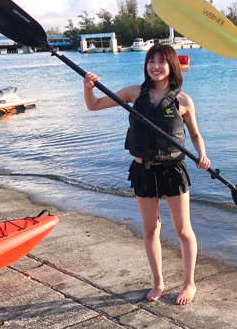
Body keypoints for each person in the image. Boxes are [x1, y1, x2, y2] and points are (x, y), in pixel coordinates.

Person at [83, 44, 210, 305]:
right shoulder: (132, 93)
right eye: (151, 61)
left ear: (172, 65)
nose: (155, 66)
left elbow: (195, 134)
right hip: (143, 170)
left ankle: (189, 283)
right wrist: (88, 87)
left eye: (161, 61)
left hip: (173, 170)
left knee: (183, 230)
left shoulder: (183, 100)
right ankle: (158, 282)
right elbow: (94, 106)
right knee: (151, 228)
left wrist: (203, 154)